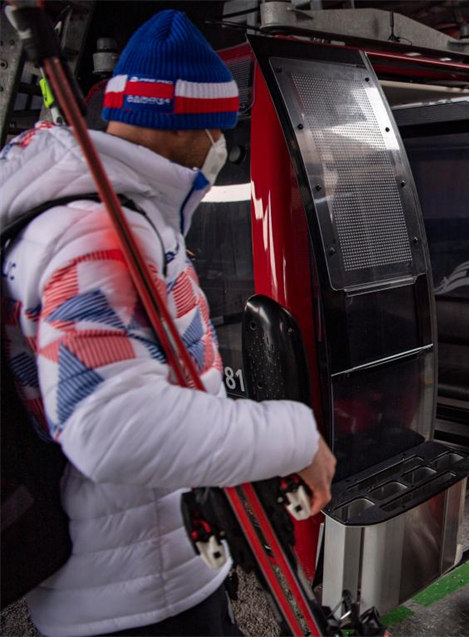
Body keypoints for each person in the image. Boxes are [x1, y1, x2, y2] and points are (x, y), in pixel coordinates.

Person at [0, 10, 335, 637]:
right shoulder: (95, 234)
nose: (223, 147)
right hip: (130, 604)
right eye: (222, 128)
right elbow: (109, 425)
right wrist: (295, 437)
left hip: (152, 568)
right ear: (196, 125)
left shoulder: (128, 216)